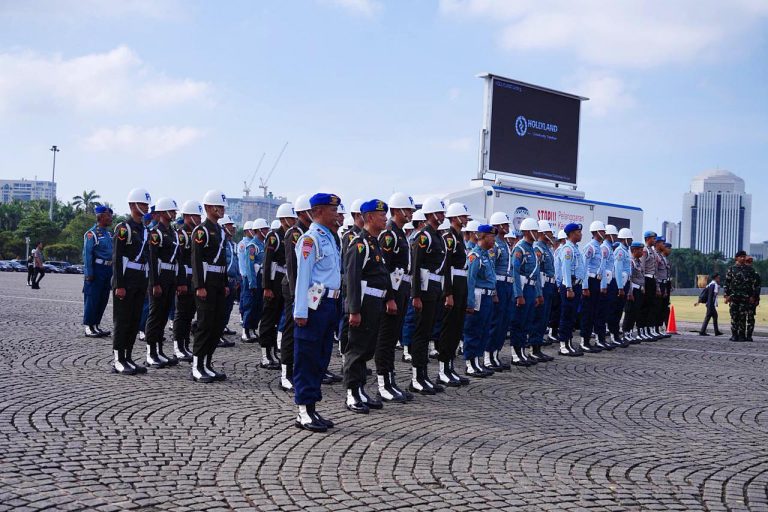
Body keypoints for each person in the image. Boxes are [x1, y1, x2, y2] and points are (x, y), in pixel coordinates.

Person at [293, 193, 343, 432]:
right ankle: (303, 409)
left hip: (329, 304)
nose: (337, 214)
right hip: (314, 306)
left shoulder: (330, 238)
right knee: (307, 357)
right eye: (333, 210)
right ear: (320, 211)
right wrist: (300, 311)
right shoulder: (310, 240)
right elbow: (303, 277)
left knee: (321, 358)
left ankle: (312, 406)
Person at [343, 199, 396, 413]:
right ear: (370, 217)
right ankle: (351, 393)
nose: (385, 218)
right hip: (363, 303)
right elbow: (352, 279)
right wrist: (354, 310)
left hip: (375, 302)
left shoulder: (374, 243)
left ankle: (360, 389)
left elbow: (382, 275)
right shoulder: (359, 244)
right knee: (356, 349)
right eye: (381, 215)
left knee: (367, 349)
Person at [376, 192, 416, 402]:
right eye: (407, 210)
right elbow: (384, 268)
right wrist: (389, 297)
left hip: (401, 289)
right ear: (397, 211)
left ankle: (390, 381)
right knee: (385, 339)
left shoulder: (399, 233)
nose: (410, 213)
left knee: (392, 338)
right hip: (390, 292)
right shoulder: (389, 234)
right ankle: (383, 384)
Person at [409, 196, 451, 394]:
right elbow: (416, 266)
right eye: (440, 212)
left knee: (427, 333)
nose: (443, 216)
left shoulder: (437, 237)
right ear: (431, 214)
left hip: (434, 288)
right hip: (424, 290)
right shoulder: (423, 236)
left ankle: (423, 374)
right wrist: (415, 295)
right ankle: (416, 376)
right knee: (420, 333)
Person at [111, 188, 152, 375]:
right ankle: (118, 359)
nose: (145, 207)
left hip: (139, 281)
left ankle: (128, 356)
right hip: (125, 281)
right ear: (132, 205)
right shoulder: (123, 228)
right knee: (122, 321)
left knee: (135, 321)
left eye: (146, 204)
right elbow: (117, 258)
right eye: (142, 204)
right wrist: (119, 284)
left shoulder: (144, 230)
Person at [190, 189, 230, 383]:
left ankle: (207, 362)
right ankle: (197, 365)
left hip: (218, 282)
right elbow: (196, 260)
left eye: (223, 207)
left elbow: (222, 259)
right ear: (208, 207)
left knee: (217, 324)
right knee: (205, 324)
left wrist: (224, 284)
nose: (221, 210)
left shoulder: (221, 231)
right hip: (205, 282)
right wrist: (199, 285)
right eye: (218, 206)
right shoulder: (201, 230)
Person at [260, 203, 296, 388]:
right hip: (274, 279)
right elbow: (266, 262)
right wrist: (266, 286)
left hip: (285, 279)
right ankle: (266, 354)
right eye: (290, 218)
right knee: (269, 318)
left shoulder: (292, 235)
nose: (293, 221)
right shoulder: (274, 236)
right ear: (282, 219)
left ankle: (273, 351)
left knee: (280, 318)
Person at [435, 202, 471, 387]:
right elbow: (446, 266)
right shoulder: (449, 237)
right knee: (448, 328)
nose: (465, 220)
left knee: (457, 328)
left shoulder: (459, 237)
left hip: (461, 283)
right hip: (452, 283)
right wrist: (447, 292)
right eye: (463, 216)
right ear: (455, 217)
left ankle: (449, 366)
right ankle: (442, 369)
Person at [144, 197, 183, 368]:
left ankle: (159, 350)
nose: (174, 213)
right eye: (172, 211)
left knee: (163, 316)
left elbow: (178, 260)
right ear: (162, 213)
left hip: (170, 277)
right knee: (155, 316)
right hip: (159, 277)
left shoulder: (173, 233)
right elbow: (152, 260)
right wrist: (154, 283)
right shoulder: (155, 233)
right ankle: (151, 352)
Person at [282, 194, 312, 391]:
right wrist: (296, 292)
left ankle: (297, 370)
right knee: (290, 331)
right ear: (302, 212)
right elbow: (292, 266)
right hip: (293, 287)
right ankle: (286, 373)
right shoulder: (295, 233)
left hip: (304, 288)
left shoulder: (309, 232)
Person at [509, 218, 545, 364]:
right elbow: (515, 273)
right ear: (527, 231)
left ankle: (522, 351)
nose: (537, 233)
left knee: (527, 321)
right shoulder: (520, 249)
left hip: (531, 288)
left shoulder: (532, 248)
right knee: (519, 322)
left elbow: (536, 274)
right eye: (534, 230)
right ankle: (515, 353)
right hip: (523, 289)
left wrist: (538, 294)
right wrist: (518, 294)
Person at [464, 224, 498, 377]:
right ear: (482, 236)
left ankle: (477, 361)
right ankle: (470, 363)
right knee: (474, 330)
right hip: (478, 296)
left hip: (487, 297)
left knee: (484, 330)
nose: (494, 240)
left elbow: (491, 278)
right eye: (491, 236)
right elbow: (470, 281)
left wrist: (494, 293)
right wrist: (470, 303)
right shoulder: (475, 256)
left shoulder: (487, 255)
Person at [172, 200, 202, 362]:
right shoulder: (181, 234)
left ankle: (184, 344)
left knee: (189, 313)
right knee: (182, 314)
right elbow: (179, 259)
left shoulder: (197, 233)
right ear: (187, 216)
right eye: (195, 216)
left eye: (199, 216)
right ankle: (178, 346)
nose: (198, 219)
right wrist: (180, 281)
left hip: (194, 278)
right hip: (184, 277)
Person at [487, 211, 514, 371]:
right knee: (495, 321)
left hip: (508, 285)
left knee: (504, 322)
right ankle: (487, 355)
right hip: (498, 284)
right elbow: (491, 268)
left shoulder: (505, 244)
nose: (507, 227)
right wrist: (494, 290)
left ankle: (495, 354)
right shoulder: (495, 245)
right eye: (504, 224)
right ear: (497, 226)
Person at [82, 205, 114, 337]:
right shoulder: (92, 233)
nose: (110, 218)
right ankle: (88, 326)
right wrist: (89, 273)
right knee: (92, 298)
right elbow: (87, 254)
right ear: (100, 217)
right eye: (108, 215)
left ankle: (96, 325)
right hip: (97, 269)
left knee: (103, 299)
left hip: (108, 269)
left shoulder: (108, 234)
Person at [580, 221, 609, 353]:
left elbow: (601, 268)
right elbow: (584, 267)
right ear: (595, 232)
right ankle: (583, 341)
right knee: (587, 313)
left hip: (597, 281)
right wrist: (585, 287)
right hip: (590, 282)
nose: (604, 233)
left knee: (594, 312)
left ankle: (589, 340)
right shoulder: (590, 247)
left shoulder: (599, 247)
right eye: (602, 231)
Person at [558, 223, 586, 357]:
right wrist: (569, 287)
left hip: (577, 285)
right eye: (578, 232)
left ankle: (569, 343)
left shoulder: (576, 249)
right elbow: (566, 270)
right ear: (572, 234)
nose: (580, 234)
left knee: (572, 316)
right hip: (570, 286)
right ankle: (563, 344)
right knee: (566, 315)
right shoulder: (567, 249)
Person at [530, 220, 556, 359]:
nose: (552, 235)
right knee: (539, 317)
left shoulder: (546, 248)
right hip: (543, 285)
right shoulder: (538, 249)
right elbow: (537, 271)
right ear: (543, 233)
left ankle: (538, 346)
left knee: (545, 317)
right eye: (550, 232)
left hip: (549, 285)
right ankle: (534, 348)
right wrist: (538, 291)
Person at [218, 214, 240, 348]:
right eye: (229, 225)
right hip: (223, 280)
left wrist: (237, 278)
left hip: (232, 281)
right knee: (219, 310)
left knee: (227, 309)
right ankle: (216, 335)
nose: (232, 228)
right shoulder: (221, 243)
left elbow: (235, 262)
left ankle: (221, 331)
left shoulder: (232, 244)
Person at [724, 250, 754, 342]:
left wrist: (752, 296)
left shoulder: (749, 270)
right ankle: (734, 335)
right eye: (741, 256)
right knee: (734, 316)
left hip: (745, 297)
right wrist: (726, 295)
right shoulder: (731, 269)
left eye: (744, 256)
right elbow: (727, 283)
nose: (743, 258)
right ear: (736, 258)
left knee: (742, 316)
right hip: (734, 297)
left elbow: (753, 284)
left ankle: (742, 335)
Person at [237, 221, 258, 343]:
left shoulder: (255, 243)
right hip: (246, 276)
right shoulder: (243, 244)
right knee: (248, 303)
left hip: (254, 276)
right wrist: (246, 277)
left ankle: (251, 329)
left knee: (255, 304)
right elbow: (244, 264)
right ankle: (245, 330)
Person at [638, 231, 660, 341]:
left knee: (651, 306)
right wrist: (643, 284)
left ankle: (648, 330)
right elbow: (642, 267)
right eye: (653, 238)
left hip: (652, 279)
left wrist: (656, 286)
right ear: (647, 238)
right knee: (644, 306)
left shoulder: (653, 251)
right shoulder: (645, 250)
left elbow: (655, 269)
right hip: (646, 279)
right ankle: (641, 330)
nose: (654, 240)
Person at [622, 242, 646, 339]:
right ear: (634, 250)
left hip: (639, 290)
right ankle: (626, 332)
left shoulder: (638, 262)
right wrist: (630, 292)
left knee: (635, 312)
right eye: (640, 250)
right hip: (633, 291)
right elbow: (630, 278)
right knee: (630, 312)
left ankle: (630, 332)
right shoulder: (631, 262)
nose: (642, 252)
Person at [613, 228, 634, 342]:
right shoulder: (620, 251)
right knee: (616, 311)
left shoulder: (626, 250)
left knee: (620, 311)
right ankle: (614, 335)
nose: (631, 241)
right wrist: (620, 287)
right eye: (629, 239)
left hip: (625, 283)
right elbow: (618, 269)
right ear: (625, 239)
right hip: (620, 284)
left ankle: (616, 335)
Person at [744, 257, 761, 341]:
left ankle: (749, 335)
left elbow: (758, 288)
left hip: (751, 299)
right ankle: (743, 335)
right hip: (742, 299)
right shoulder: (742, 273)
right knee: (742, 318)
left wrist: (757, 299)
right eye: (747, 262)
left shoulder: (755, 274)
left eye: (750, 262)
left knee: (750, 318)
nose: (748, 264)